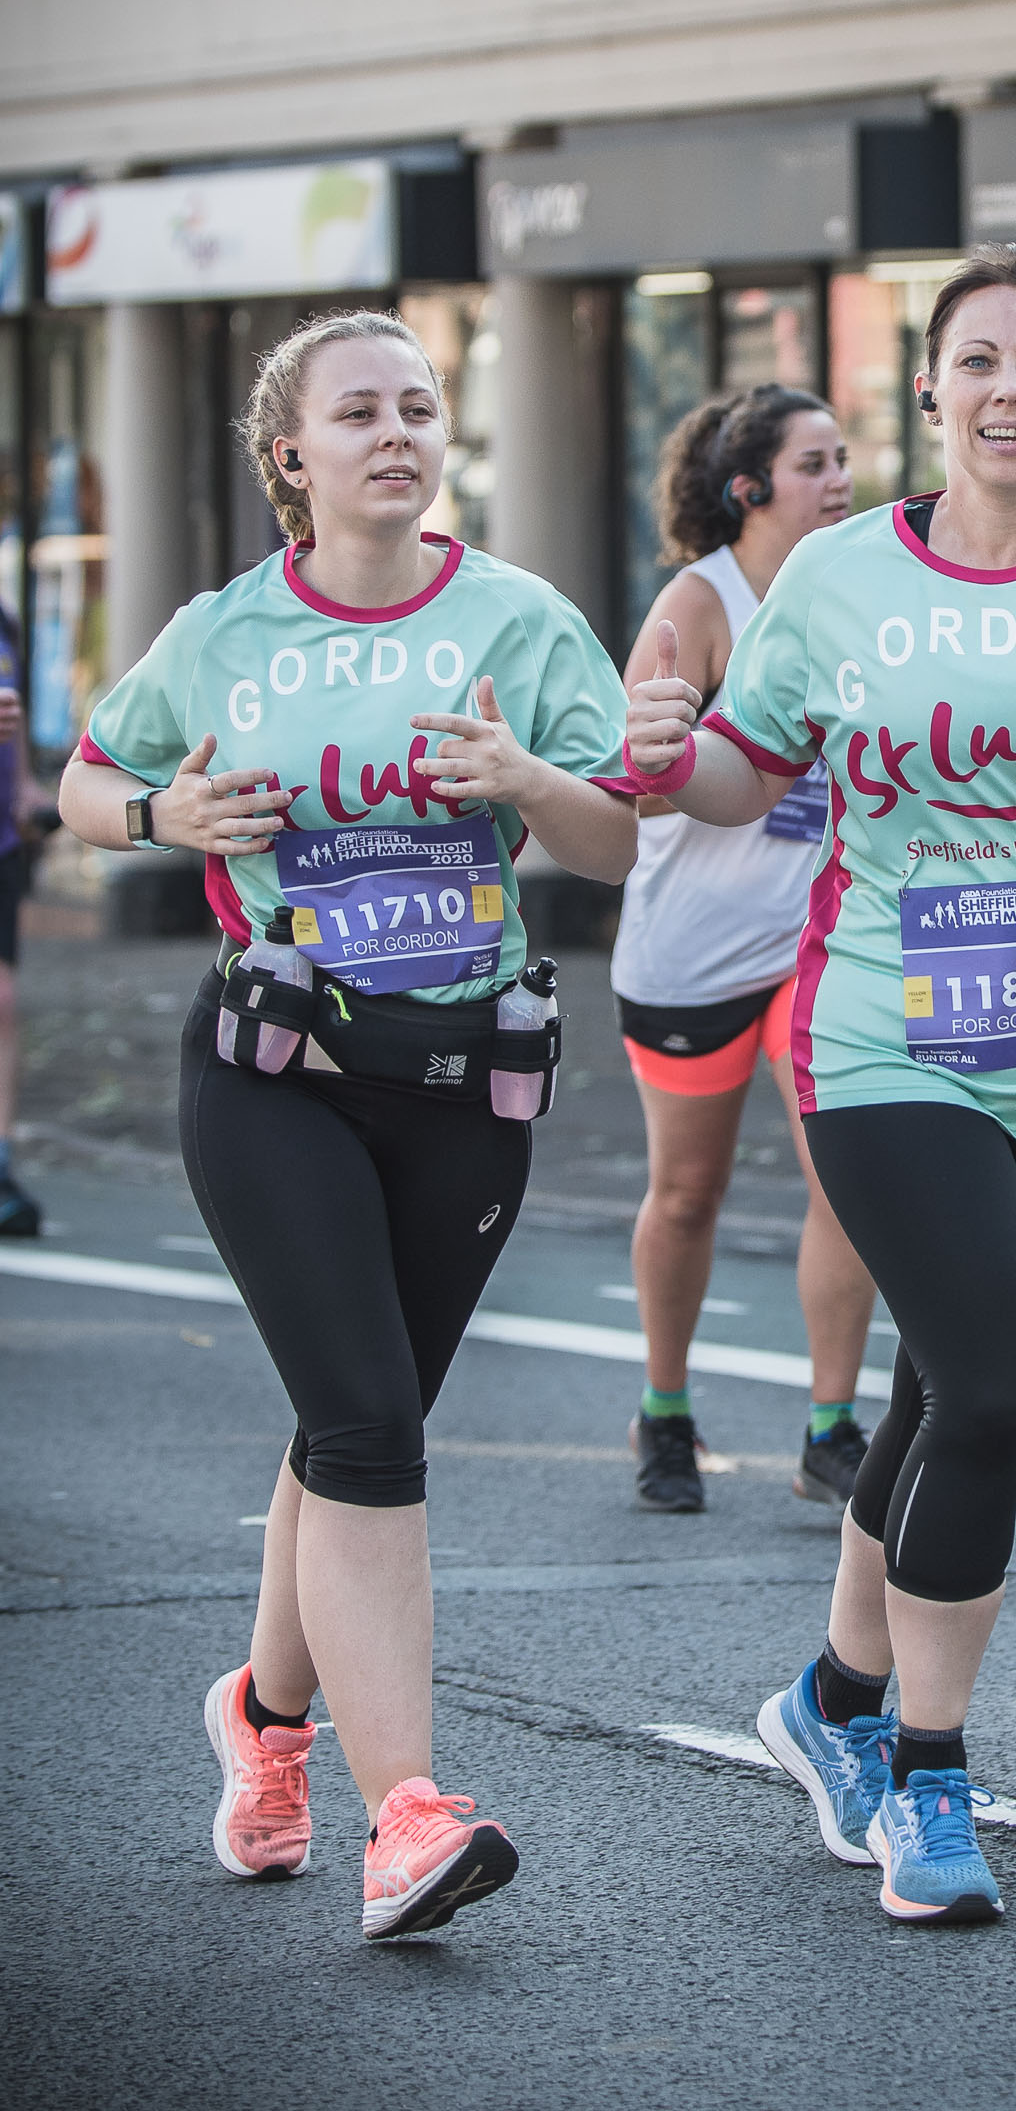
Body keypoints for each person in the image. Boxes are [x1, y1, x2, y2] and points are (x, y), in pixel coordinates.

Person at [624, 242, 1016, 1923]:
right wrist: (651, 743)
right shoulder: (836, 577)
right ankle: (926, 1776)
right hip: (877, 1032)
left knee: (933, 1395)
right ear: (929, 387)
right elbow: (734, 773)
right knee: (990, 1397)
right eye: (976, 361)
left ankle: (824, 1701)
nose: (1006, 391)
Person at [58, 309, 636, 1938]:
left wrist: (522, 778)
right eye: (358, 411)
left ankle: (265, 1717)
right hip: (272, 1074)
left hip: (462, 1082)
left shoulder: (517, 620)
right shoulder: (226, 632)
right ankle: (408, 1818)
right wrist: (167, 814)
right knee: (376, 1429)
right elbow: (88, 783)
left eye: (420, 405)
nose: (398, 430)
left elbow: (615, 846)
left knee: (350, 1425)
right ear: (290, 456)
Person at [611, 385, 877, 1512]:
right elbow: (629, 785)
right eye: (816, 463)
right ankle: (664, 1411)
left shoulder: (858, 590)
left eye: (844, 458)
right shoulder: (700, 603)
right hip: (687, 954)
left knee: (852, 1180)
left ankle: (831, 1424)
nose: (842, 481)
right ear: (748, 491)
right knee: (686, 1194)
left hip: (813, 947)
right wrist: (703, 759)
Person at [0, 601, 57, 1235]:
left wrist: (22, 790)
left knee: (3, 998)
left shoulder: (5, 622)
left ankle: (1, 1163)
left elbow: (9, 720)